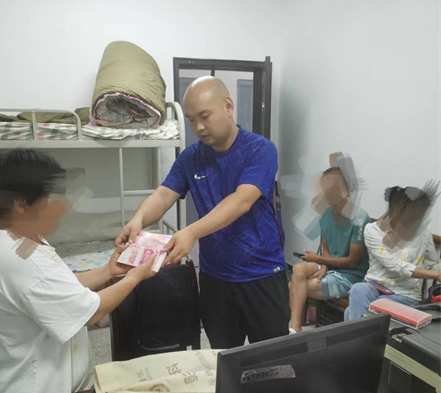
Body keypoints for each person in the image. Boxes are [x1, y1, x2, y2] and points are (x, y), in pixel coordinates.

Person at [0, 149, 156, 393]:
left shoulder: (19, 241)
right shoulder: (19, 258)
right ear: (20, 203)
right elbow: (90, 310)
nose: (58, 204)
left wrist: (109, 271)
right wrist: (134, 277)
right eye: (48, 196)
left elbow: (63, 287)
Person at [116, 76, 290, 348]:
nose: (198, 127)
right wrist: (138, 220)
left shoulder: (260, 149)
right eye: (191, 120)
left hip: (262, 275)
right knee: (222, 356)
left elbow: (241, 201)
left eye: (205, 116)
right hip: (215, 279)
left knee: (271, 358)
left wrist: (191, 232)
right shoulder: (190, 157)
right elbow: (163, 195)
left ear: (228, 106)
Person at [289, 166, 370, 332]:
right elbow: (326, 250)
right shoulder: (325, 216)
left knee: (294, 286)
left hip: (351, 276)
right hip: (331, 267)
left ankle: (296, 328)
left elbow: (352, 262)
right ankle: (295, 328)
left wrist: (319, 260)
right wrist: (323, 267)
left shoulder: (360, 218)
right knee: (298, 269)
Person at [345, 183, 441, 320]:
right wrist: (436, 275)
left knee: (353, 311)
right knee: (358, 289)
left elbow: (432, 264)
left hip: (405, 294)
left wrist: (437, 271)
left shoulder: (424, 233)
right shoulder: (372, 230)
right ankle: (363, 333)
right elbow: (396, 266)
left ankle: (359, 333)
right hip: (374, 286)